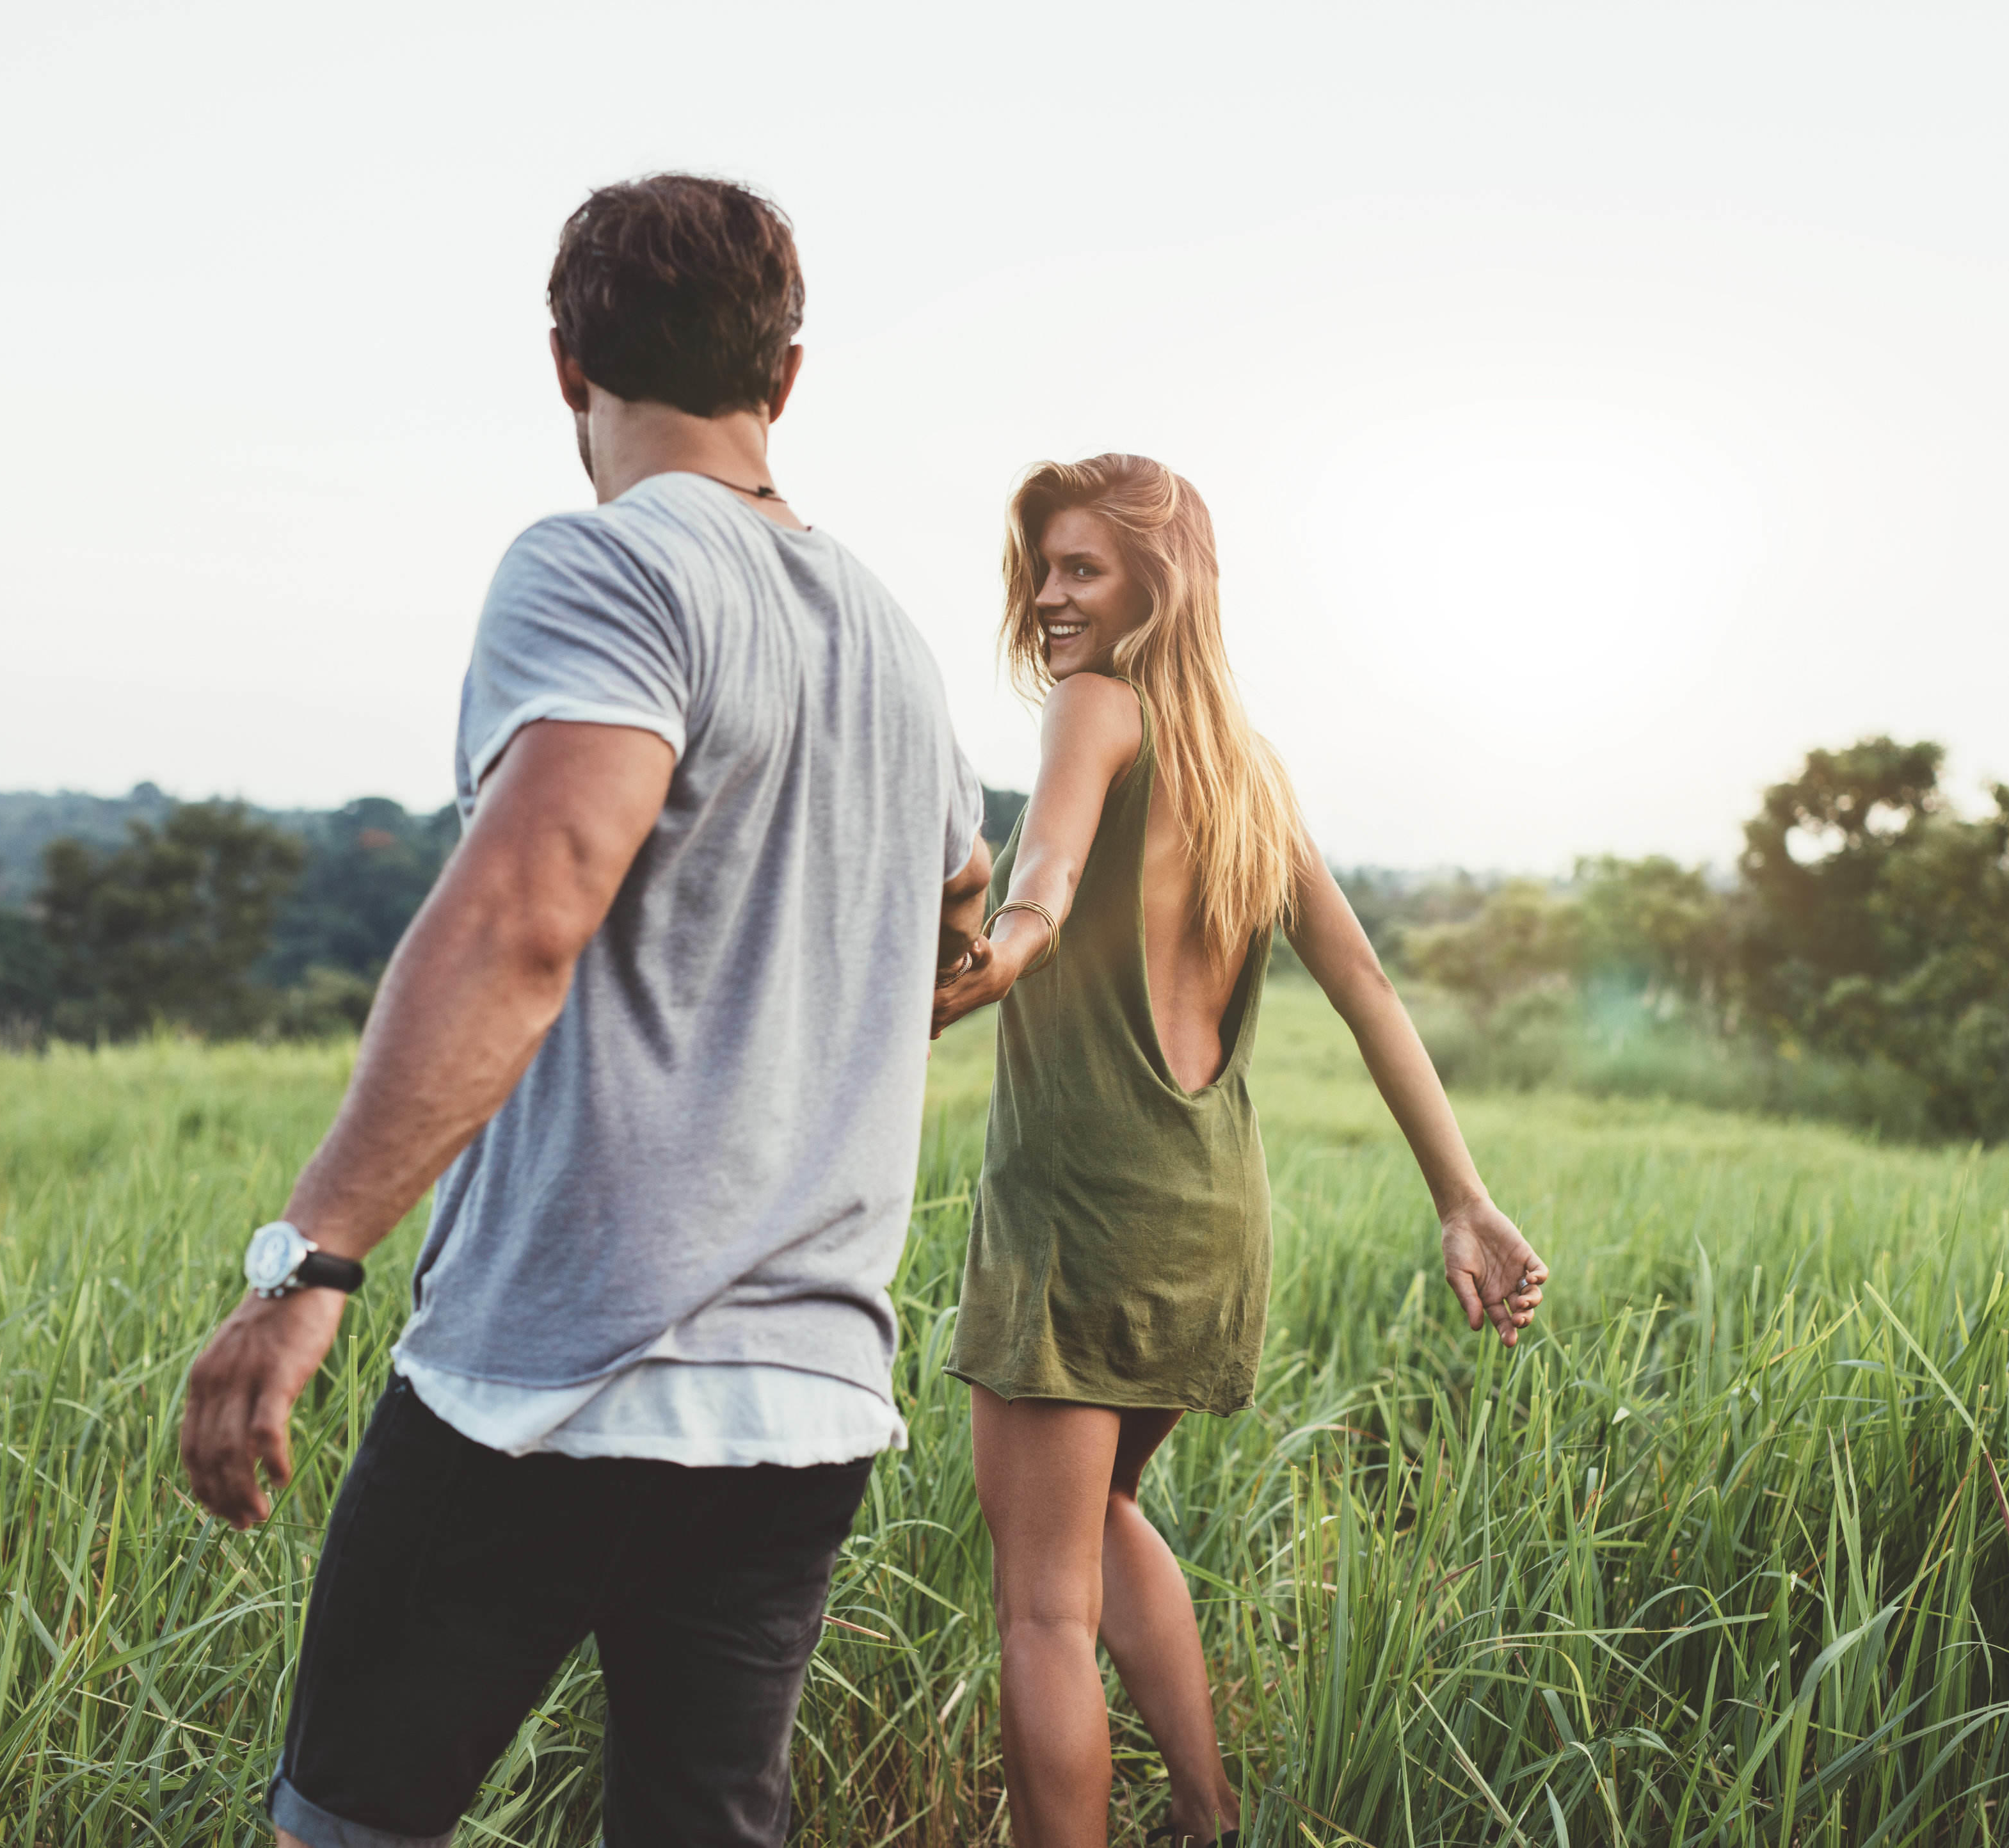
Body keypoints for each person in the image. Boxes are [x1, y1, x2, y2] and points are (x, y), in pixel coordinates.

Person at [177, 173, 991, 1848]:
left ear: (568, 368)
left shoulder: (607, 569)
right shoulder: (904, 654)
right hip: (804, 1404)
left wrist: (310, 1259)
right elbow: (954, 943)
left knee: (349, 1827)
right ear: (788, 374)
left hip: (548, 1385)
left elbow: (525, 916)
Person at [931, 454, 1549, 1848]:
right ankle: (1205, 1819)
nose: (1048, 596)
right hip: (1207, 1218)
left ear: (1158, 585)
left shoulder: (1093, 711)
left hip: (1079, 1212)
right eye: (1042, 568)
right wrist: (1463, 1198)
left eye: (1081, 568)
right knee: (1103, 1515)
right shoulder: (1246, 771)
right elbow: (1368, 987)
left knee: (1041, 1605)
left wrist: (991, 955)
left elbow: (1043, 883)